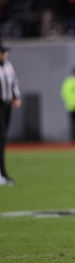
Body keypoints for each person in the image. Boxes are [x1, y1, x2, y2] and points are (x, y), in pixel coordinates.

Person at [0, 40, 21, 186]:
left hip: (6, 106)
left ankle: (3, 173)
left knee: (2, 140)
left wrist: (16, 97)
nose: (4, 54)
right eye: (3, 52)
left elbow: (14, 83)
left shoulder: (8, 66)